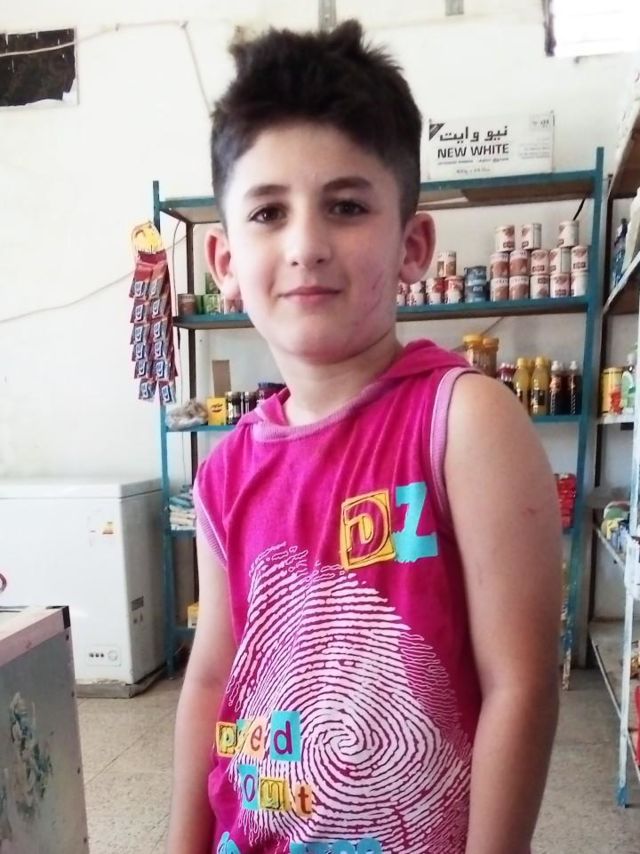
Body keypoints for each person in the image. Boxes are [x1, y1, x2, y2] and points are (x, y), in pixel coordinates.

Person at [167, 19, 561, 854]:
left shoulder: (464, 423)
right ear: (225, 262)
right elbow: (211, 677)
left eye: (346, 207)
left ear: (412, 244)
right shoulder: (225, 470)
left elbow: (520, 686)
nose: (306, 245)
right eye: (268, 212)